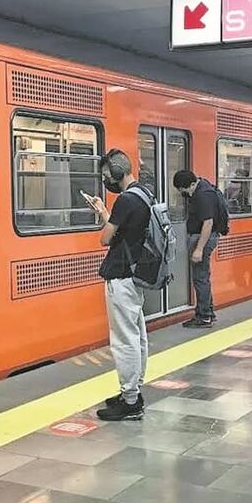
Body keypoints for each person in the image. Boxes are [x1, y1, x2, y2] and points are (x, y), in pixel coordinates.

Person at [84, 149, 151, 421]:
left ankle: (130, 401)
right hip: (135, 274)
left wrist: (104, 216)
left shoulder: (125, 200)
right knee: (137, 335)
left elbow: (106, 238)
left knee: (124, 340)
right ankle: (133, 391)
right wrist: (105, 212)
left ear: (116, 172)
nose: (106, 180)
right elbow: (125, 232)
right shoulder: (144, 194)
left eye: (106, 175)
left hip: (121, 275)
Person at [173, 169, 224, 328]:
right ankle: (208, 312)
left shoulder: (203, 195)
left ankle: (204, 316)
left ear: (191, 184)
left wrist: (199, 249)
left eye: (183, 190)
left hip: (202, 239)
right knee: (202, 276)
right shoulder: (204, 187)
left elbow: (208, 223)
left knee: (200, 277)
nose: (184, 193)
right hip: (201, 237)